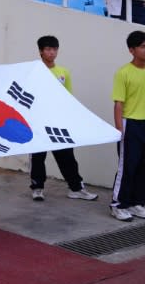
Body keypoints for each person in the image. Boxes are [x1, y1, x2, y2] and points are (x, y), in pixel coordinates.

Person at [29, 36, 99, 202]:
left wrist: (69, 119)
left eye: (54, 49)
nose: (52, 52)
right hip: (39, 121)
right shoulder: (33, 71)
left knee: (67, 156)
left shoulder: (63, 72)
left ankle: (76, 188)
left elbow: (67, 98)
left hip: (58, 122)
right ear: (41, 51)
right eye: (48, 49)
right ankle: (37, 188)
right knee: (38, 156)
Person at [110, 30, 145, 222]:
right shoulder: (123, 73)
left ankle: (136, 203)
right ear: (132, 50)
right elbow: (118, 103)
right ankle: (118, 204)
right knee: (128, 167)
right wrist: (119, 129)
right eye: (143, 46)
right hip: (130, 124)